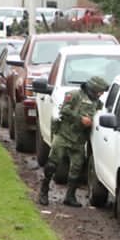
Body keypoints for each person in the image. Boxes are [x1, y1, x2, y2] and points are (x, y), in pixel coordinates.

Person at [40, 75, 107, 207]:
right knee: (53, 163)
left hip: (79, 141)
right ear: (93, 89)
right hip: (64, 136)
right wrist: (80, 118)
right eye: (99, 91)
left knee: (77, 167)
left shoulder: (97, 103)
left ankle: (70, 196)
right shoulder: (74, 95)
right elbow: (64, 110)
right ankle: (44, 191)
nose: (100, 94)